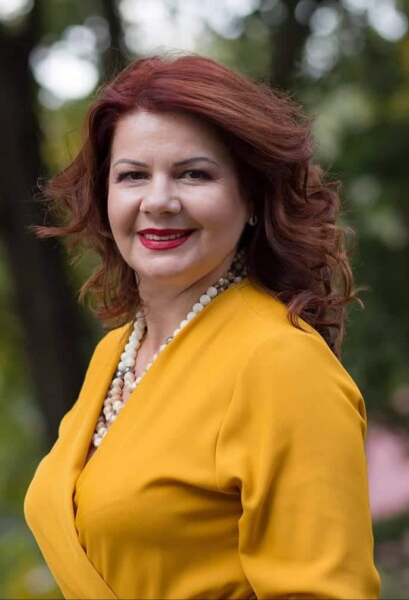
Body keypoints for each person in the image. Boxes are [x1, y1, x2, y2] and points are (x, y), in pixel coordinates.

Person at [24, 53, 380, 600]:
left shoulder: (280, 362)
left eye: (194, 174)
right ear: (104, 196)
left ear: (251, 195)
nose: (159, 201)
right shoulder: (115, 354)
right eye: (133, 175)